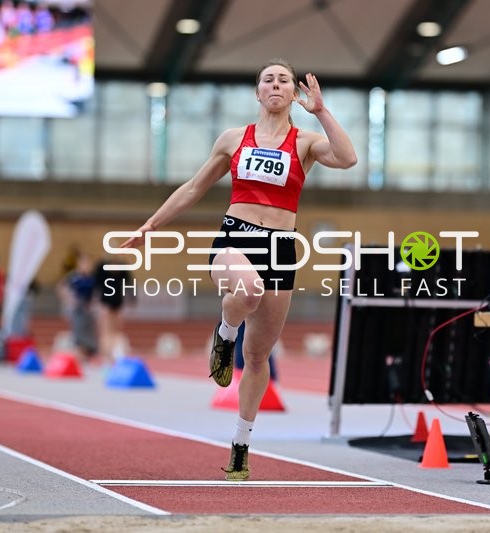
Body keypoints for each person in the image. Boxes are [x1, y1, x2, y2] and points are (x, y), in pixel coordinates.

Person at [121, 59, 357, 481]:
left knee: (258, 356)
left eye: (284, 80)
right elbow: (194, 187)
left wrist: (321, 111)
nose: (276, 85)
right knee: (247, 290)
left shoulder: (304, 141)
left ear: (292, 93)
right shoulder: (234, 139)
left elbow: (348, 158)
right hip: (236, 236)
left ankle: (240, 444)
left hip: (282, 246)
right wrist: (152, 225)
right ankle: (224, 333)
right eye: (268, 79)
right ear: (257, 92)